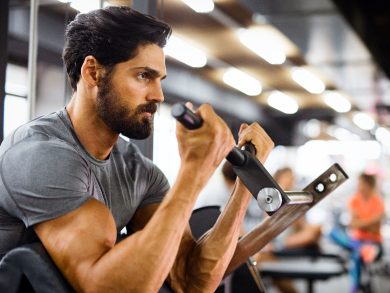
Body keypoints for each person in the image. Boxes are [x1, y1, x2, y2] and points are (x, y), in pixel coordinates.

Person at [0, 6, 275, 292]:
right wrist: (193, 172)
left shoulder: (138, 172)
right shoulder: (39, 156)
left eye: (159, 80)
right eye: (144, 75)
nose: (159, 95)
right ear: (93, 72)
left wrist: (246, 180)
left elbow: (191, 281)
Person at [255, 167, 322, 293]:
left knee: (315, 230)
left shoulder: (297, 200)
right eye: (288, 177)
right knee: (259, 260)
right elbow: (266, 228)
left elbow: (307, 229)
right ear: (278, 179)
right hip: (272, 245)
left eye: (292, 177)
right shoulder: (269, 199)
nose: (292, 180)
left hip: (285, 243)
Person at [330, 173, 385, 293]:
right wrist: (371, 221)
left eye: (360, 183)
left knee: (356, 255)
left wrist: (360, 222)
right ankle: (360, 249)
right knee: (333, 233)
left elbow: (375, 229)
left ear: (368, 184)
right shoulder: (354, 199)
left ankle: (355, 287)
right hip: (357, 240)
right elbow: (353, 224)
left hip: (374, 242)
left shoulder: (378, 201)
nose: (358, 185)